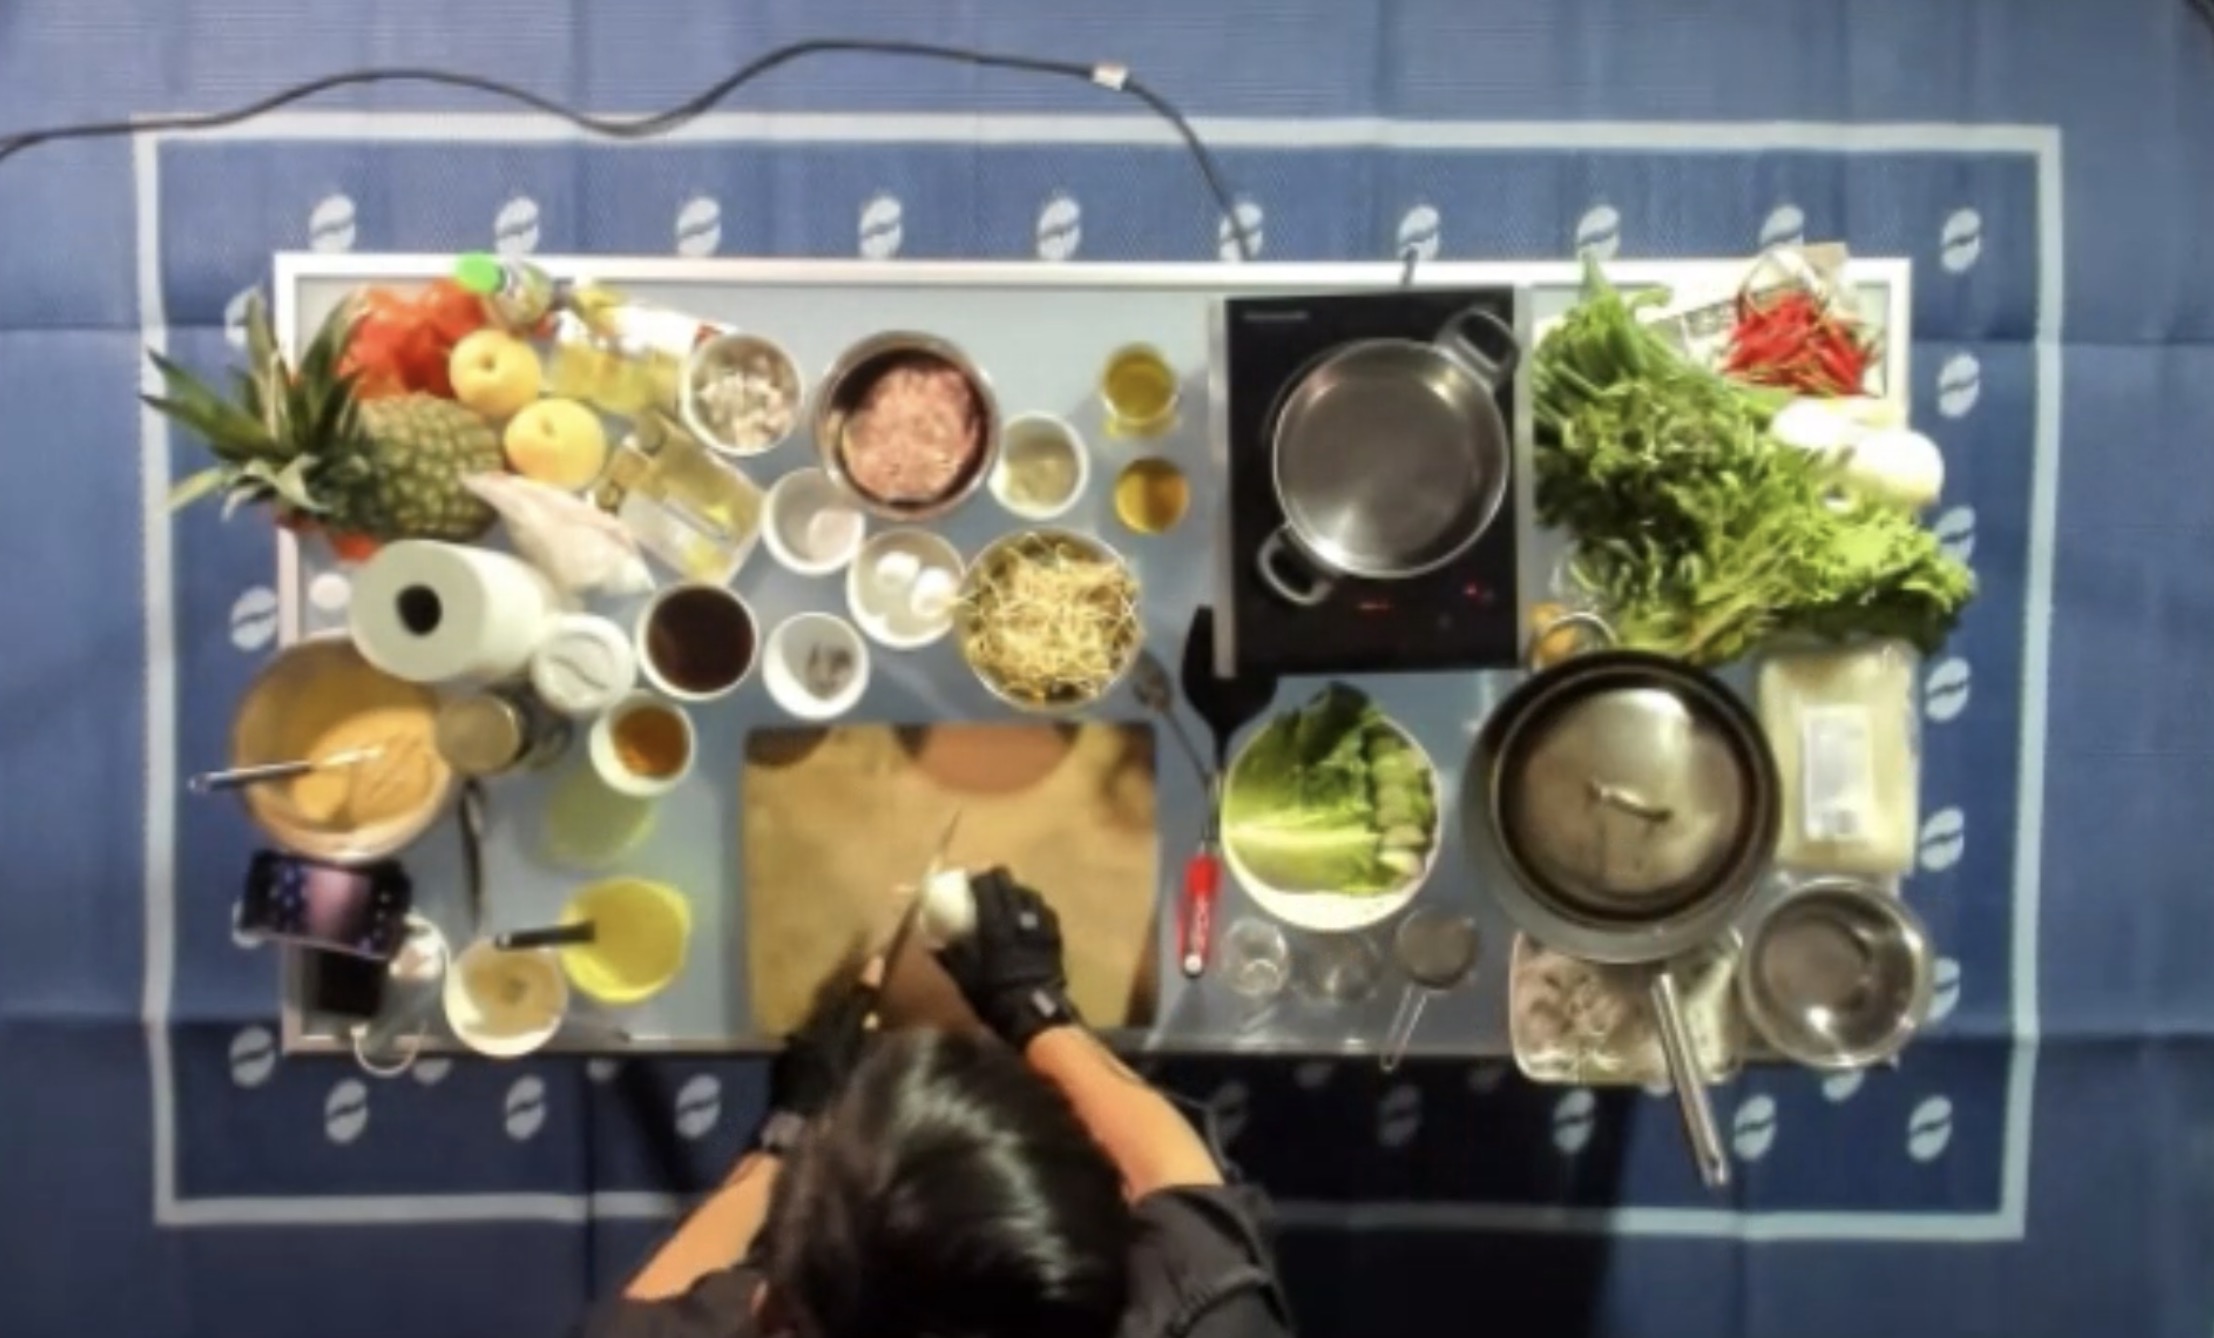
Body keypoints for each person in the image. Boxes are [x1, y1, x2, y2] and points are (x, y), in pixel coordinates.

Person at [583, 870, 1294, 1338]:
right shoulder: (1207, 1317)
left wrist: (788, 1131)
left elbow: (641, 1317)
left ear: (777, 1311)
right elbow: (1181, 1183)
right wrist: (1034, 1007)